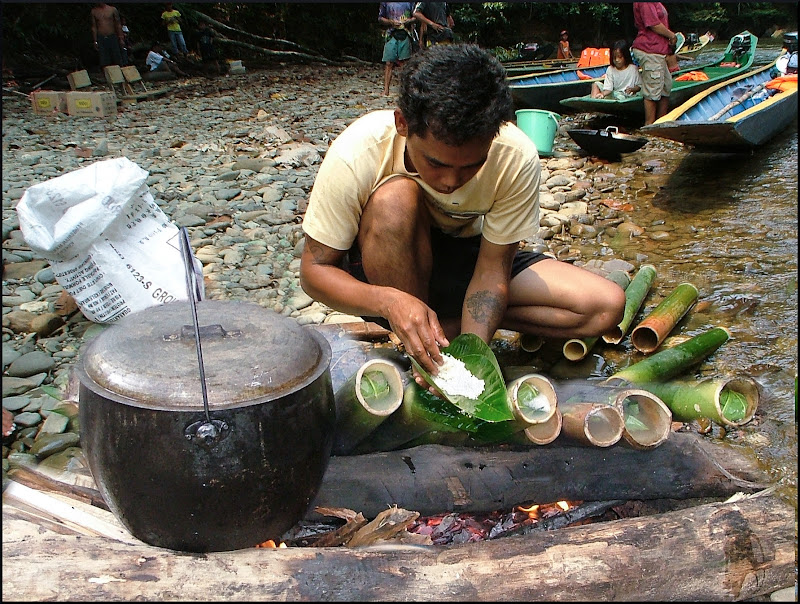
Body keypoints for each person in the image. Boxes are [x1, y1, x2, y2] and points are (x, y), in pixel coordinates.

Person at [299, 43, 625, 388]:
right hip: (389, 268)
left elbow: (492, 270)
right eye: (436, 163)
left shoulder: (514, 155)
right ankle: (416, 337)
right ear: (403, 124)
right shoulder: (359, 151)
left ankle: (442, 332)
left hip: (466, 261)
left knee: (605, 306)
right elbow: (314, 271)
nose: (451, 181)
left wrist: (471, 356)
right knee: (394, 198)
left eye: (472, 165)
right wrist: (390, 301)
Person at [631, 2, 679, 125]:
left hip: (660, 51)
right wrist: (672, 35)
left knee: (665, 87)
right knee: (652, 90)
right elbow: (653, 24)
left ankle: (660, 123)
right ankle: (649, 125)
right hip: (649, 49)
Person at [379, 2, 416, 97]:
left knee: (405, 64)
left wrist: (408, 21)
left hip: (406, 33)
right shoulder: (385, 2)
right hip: (391, 34)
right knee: (388, 63)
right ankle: (386, 90)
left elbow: (416, 16)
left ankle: (404, 90)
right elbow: (380, 18)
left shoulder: (410, 2)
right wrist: (391, 22)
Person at [90, 3, 125, 68]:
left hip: (112, 36)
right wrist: (95, 41)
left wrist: (121, 38)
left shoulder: (112, 9)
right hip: (101, 37)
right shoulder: (94, 11)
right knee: (104, 60)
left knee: (117, 57)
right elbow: (94, 27)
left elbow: (118, 24)